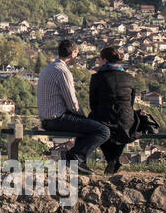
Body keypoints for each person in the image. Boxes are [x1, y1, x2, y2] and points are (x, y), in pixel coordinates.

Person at [36, 39, 110, 172]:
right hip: (57, 119)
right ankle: (74, 158)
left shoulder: (49, 68)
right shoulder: (62, 71)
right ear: (72, 53)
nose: (77, 57)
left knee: (86, 126)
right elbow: (72, 104)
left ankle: (78, 162)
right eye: (77, 53)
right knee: (103, 131)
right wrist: (84, 117)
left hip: (46, 119)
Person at [89, 45, 136, 175]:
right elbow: (131, 103)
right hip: (126, 118)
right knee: (123, 130)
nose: (98, 62)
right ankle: (114, 159)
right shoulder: (129, 78)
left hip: (104, 116)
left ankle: (111, 159)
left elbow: (92, 103)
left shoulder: (97, 78)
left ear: (104, 60)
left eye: (99, 59)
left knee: (95, 125)